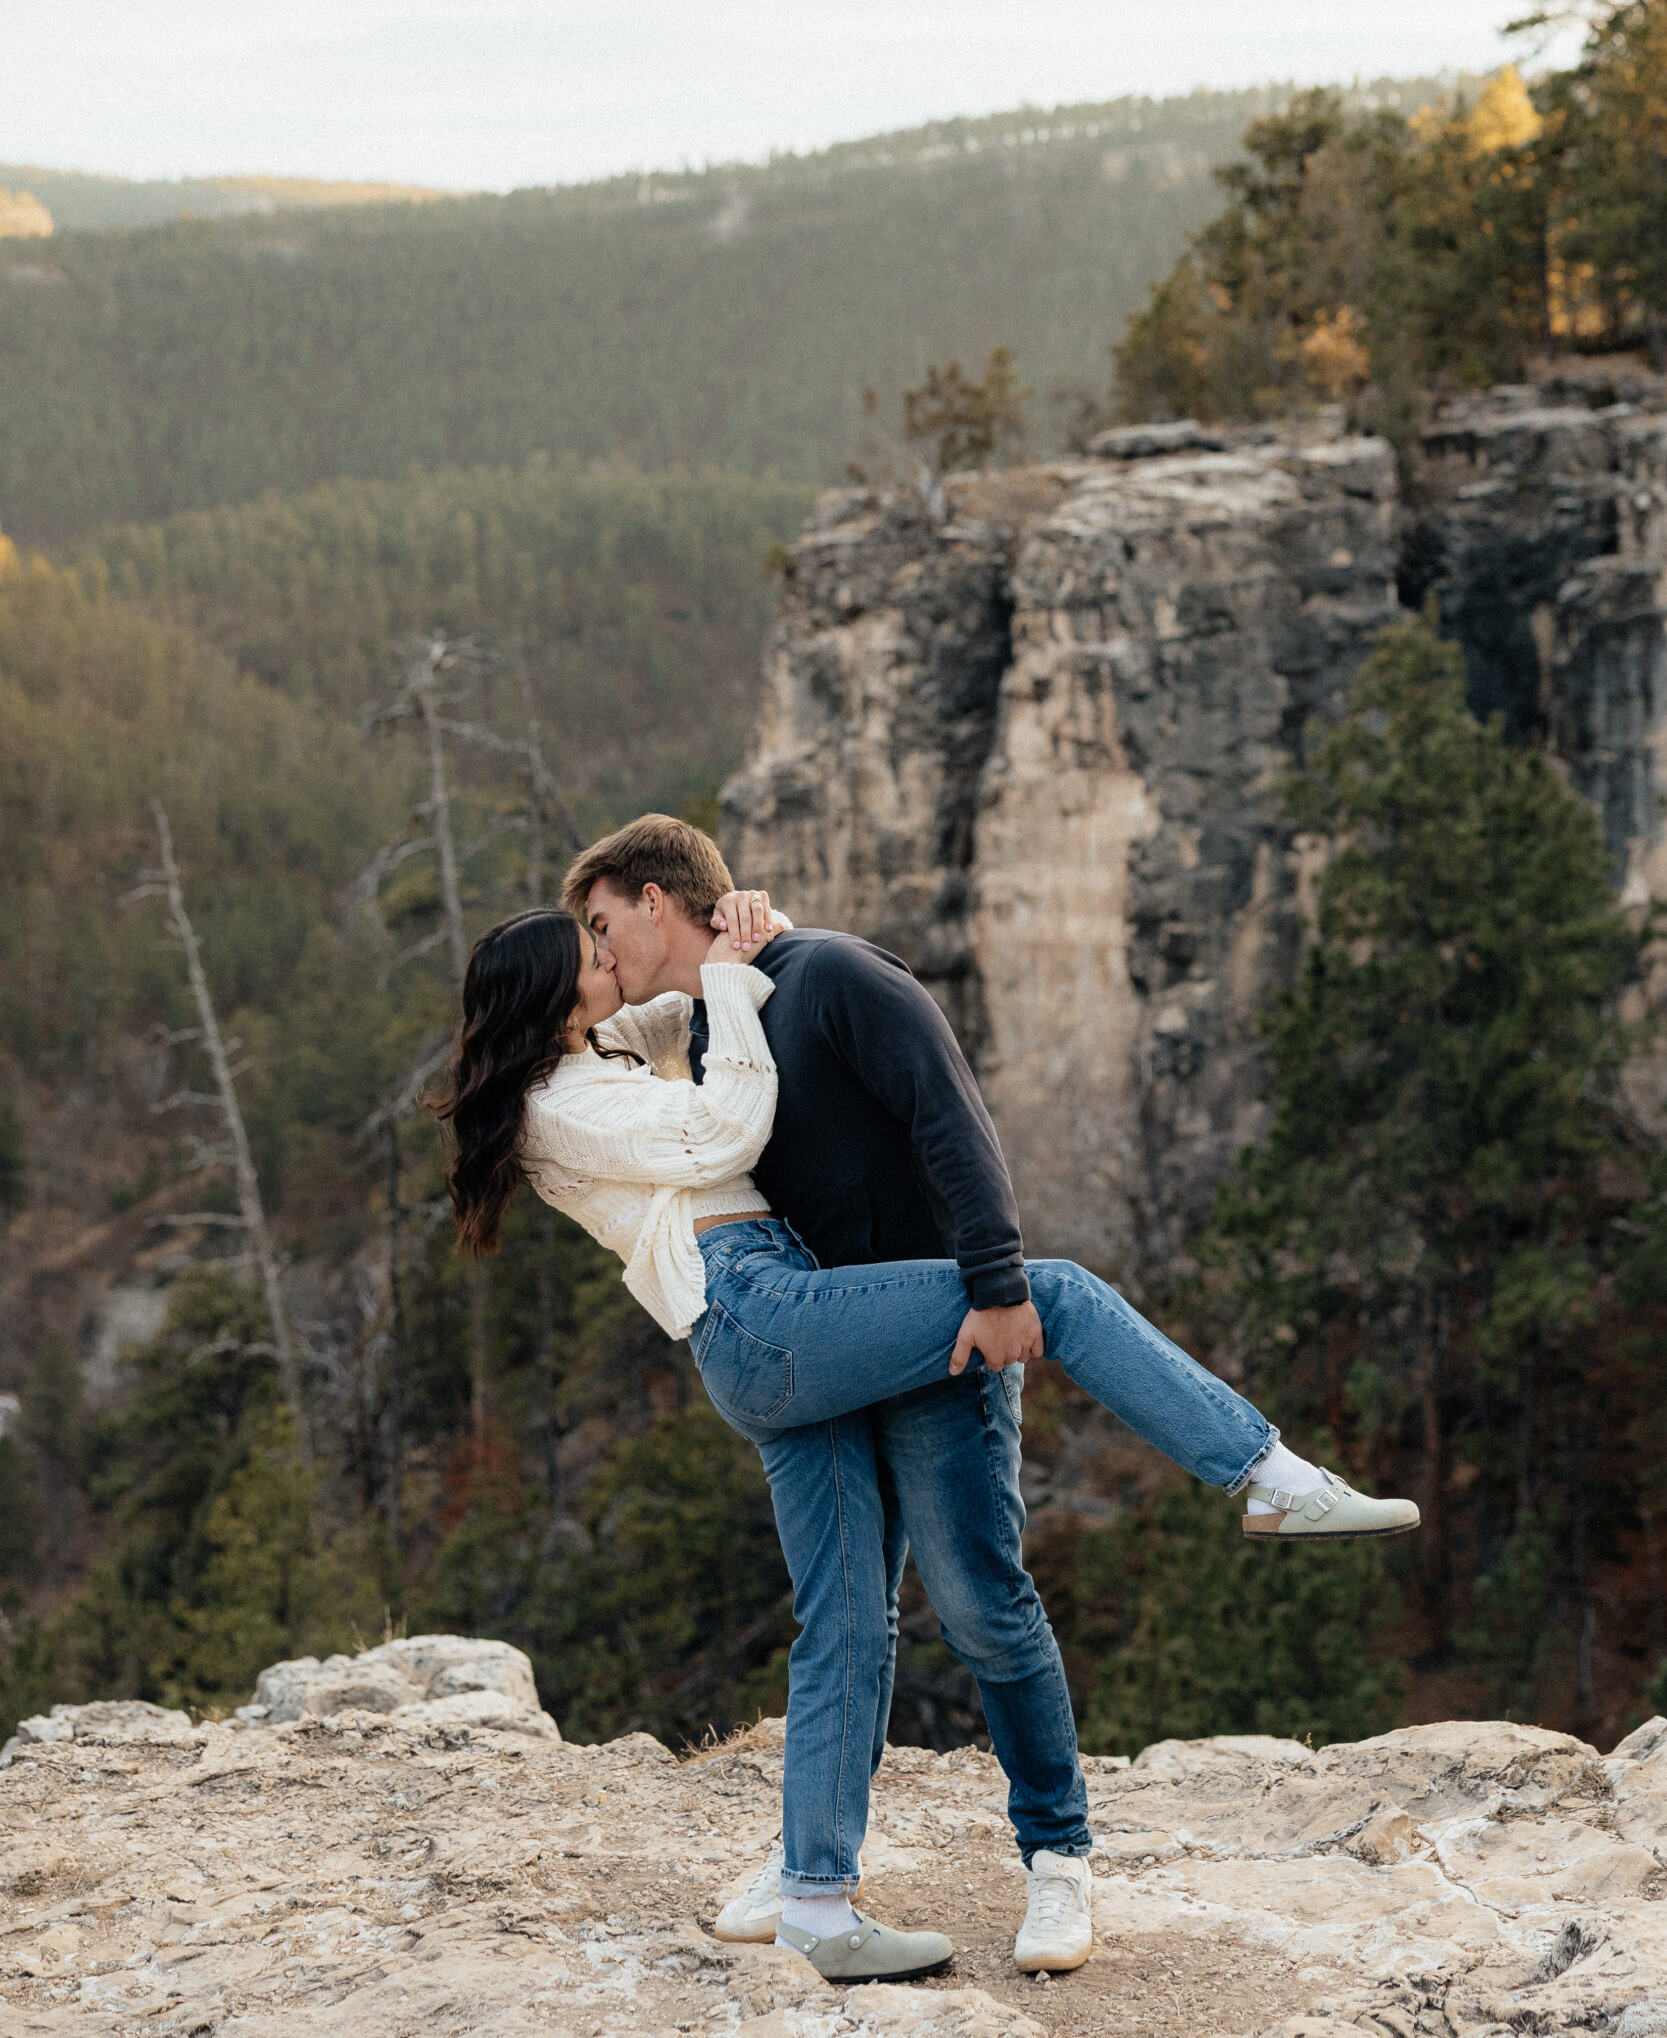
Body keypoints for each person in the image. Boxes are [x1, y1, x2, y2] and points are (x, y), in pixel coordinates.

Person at [435, 819, 1417, 1986]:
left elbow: (790, 1050)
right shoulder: (573, 1095)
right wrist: (739, 979)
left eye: (606, 928)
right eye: (583, 947)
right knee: (1054, 1293)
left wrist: (752, 950)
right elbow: (721, 1125)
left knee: (854, 1618)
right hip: (765, 1315)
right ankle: (1267, 1475)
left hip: (798, 1316)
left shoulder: (696, 1018)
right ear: (554, 991)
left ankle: (817, 1892)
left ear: (657, 903)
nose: (603, 955)